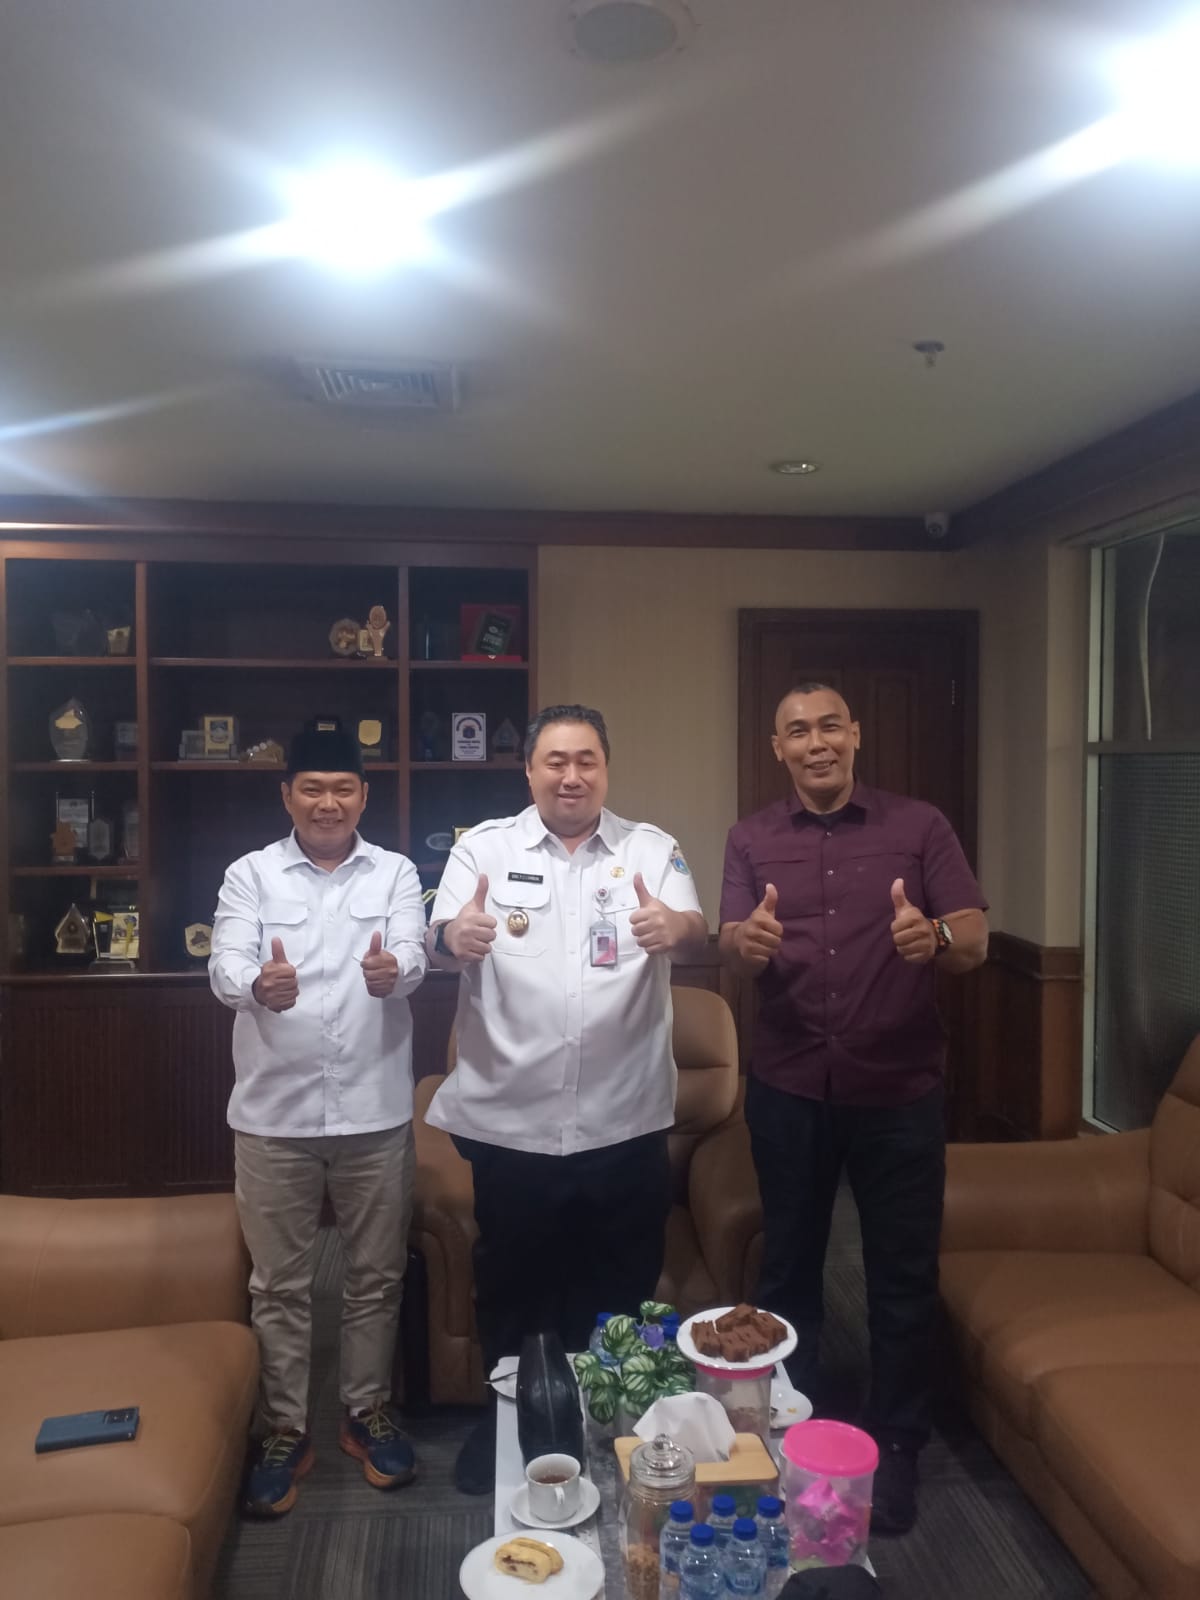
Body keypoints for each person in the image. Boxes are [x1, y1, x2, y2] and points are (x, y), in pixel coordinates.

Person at [719, 684, 987, 1536]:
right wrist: (745, 945)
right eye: (798, 730)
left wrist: (933, 938)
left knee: (900, 1276)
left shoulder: (919, 825)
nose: (817, 742)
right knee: (788, 1271)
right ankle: (792, 1429)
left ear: (856, 735)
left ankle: (897, 1442)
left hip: (898, 1090)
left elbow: (974, 937)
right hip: (790, 1087)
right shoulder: (750, 838)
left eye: (830, 725)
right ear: (778, 748)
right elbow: (730, 946)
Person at [426, 704, 708, 1493]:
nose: (572, 775)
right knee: (514, 1288)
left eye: (587, 760)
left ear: (606, 769)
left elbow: (693, 926)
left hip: (624, 1120)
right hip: (511, 1123)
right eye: (556, 760)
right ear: (529, 770)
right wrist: (453, 938)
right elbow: (440, 935)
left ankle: (605, 1428)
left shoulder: (650, 848)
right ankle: (510, 1428)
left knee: (618, 1289)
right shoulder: (483, 848)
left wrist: (676, 929)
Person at [209, 716, 427, 1517]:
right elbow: (225, 961)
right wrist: (253, 986)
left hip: (374, 1111)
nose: (327, 803)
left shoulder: (396, 871)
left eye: (342, 789)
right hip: (275, 1116)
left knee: (376, 1276)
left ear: (363, 795)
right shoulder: (250, 875)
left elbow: (415, 951)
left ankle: (366, 1410)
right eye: (312, 789)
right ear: (287, 795)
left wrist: (395, 970)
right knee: (279, 1285)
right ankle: (285, 1428)